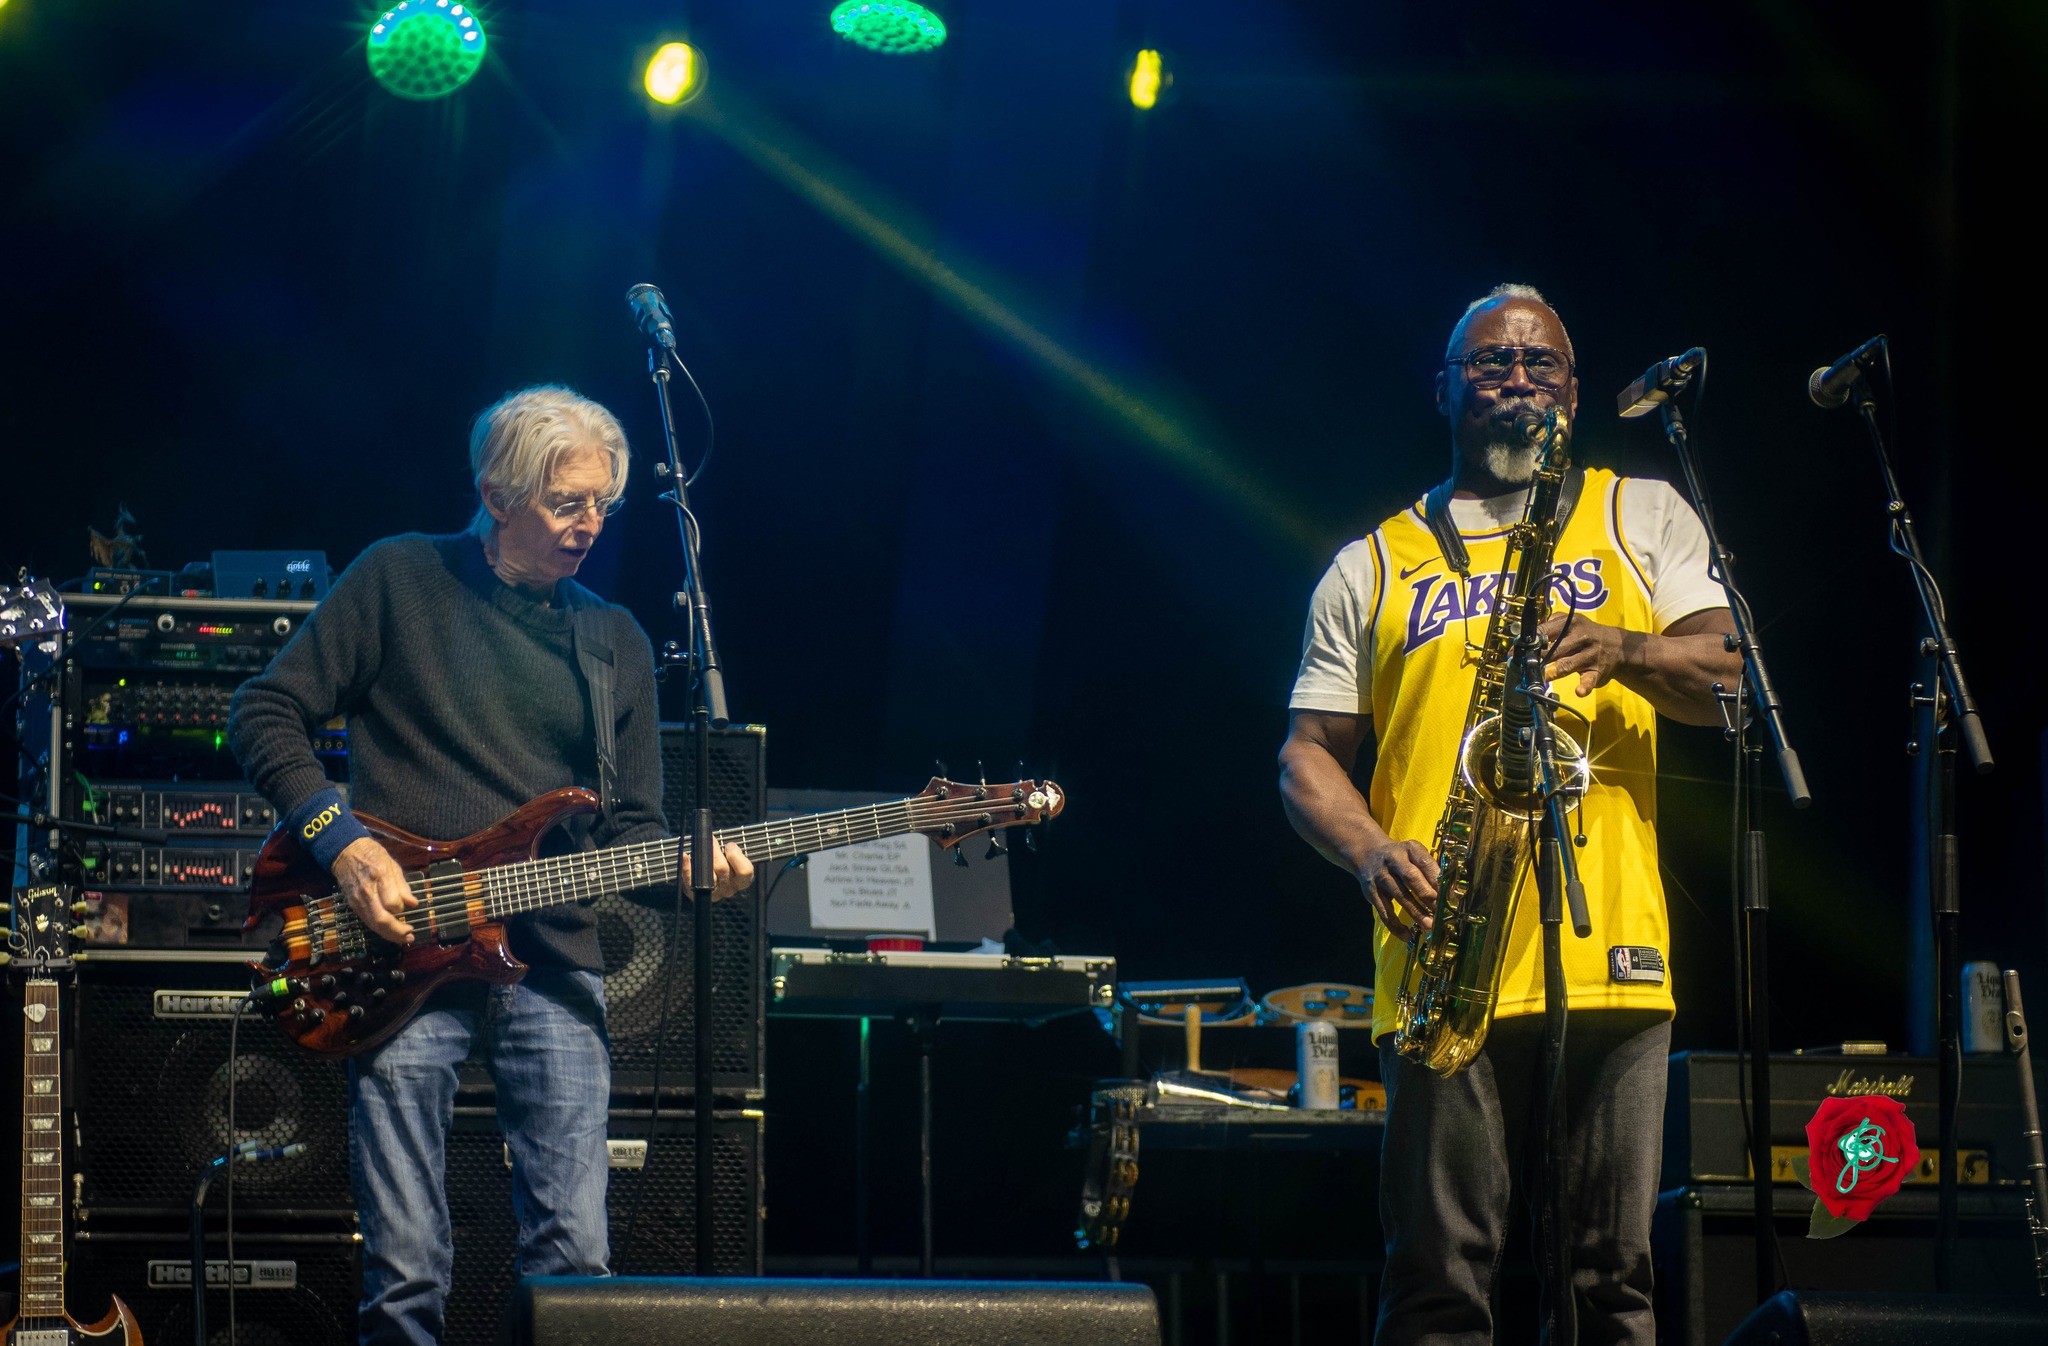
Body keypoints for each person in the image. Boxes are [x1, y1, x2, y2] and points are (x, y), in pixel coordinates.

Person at [228, 385, 753, 1346]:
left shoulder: (615, 640)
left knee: (575, 1264)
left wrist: (688, 874)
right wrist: (344, 845)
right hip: (394, 953)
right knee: (406, 1270)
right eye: (565, 504)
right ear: (496, 495)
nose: (588, 526)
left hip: (550, 962)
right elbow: (262, 712)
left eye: (602, 504)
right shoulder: (398, 578)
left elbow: (634, 835)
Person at [1277, 285, 1739, 1344]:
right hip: (1444, 946)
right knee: (1438, 1283)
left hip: (1606, 943)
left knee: (1608, 1280)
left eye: (1539, 364)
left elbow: (1729, 678)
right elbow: (1304, 753)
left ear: (1572, 392)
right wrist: (1365, 850)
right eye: (1490, 363)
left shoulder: (1639, 511)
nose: (1517, 379)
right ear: (1444, 387)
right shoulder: (1370, 560)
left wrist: (1624, 646)